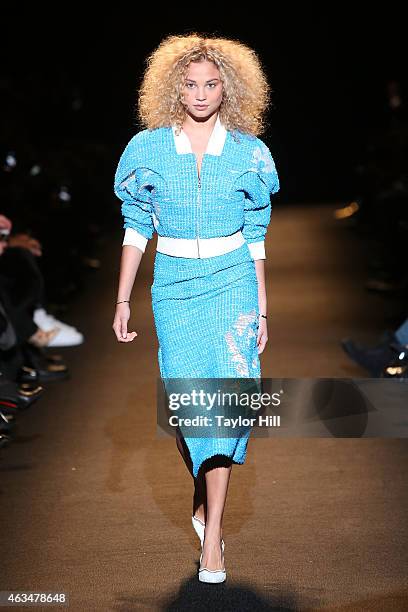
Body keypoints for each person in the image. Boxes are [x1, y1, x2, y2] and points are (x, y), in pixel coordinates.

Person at [112, 33, 280, 583]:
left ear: (228, 88)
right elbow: (136, 227)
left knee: (227, 402)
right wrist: (122, 299)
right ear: (172, 87)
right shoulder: (148, 150)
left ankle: (213, 543)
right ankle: (203, 491)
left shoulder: (251, 153)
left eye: (211, 84)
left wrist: (262, 303)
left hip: (232, 280)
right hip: (176, 286)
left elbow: (256, 234)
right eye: (190, 83)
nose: (201, 93)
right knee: (191, 405)